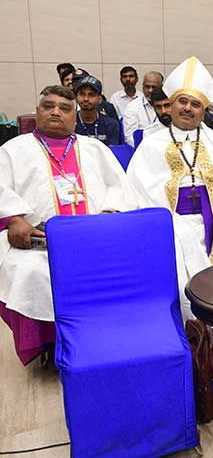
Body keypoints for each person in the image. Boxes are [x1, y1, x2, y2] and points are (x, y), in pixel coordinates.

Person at [0, 85, 136, 364]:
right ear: (36, 112)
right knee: (29, 273)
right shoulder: (13, 150)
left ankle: (105, 336)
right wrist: (14, 219)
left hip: (95, 236)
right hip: (38, 242)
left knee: (121, 266)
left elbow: (120, 189)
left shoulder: (95, 148)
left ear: (74, 116)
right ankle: (49, 344)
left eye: (64, 108)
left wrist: (108, 216)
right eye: (48, 106)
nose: (56, 112)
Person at [127, 57, 213, 318]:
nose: (188, 108)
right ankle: (192, 329)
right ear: (171, 105)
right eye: (182, 101)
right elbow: (137, 194)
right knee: (177, 263)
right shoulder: (150, 145)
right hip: (171, 223)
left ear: (204, 110)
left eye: (196, 104)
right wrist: (175, 225)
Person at [74, 75, 121, 145]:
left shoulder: (111, 125)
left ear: (100, 99)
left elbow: (112, 150)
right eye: (82, 94)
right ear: (76, 97)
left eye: (91, 95)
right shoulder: (69, 123)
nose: (86, 99)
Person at [122, 71, 164, 146]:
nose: (150, 90)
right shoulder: (133, 106)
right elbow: (129, 137)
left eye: (154, 87)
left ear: (162, 87)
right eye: (147, 87)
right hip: (142, 148)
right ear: (143, 87)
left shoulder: (169, 105)